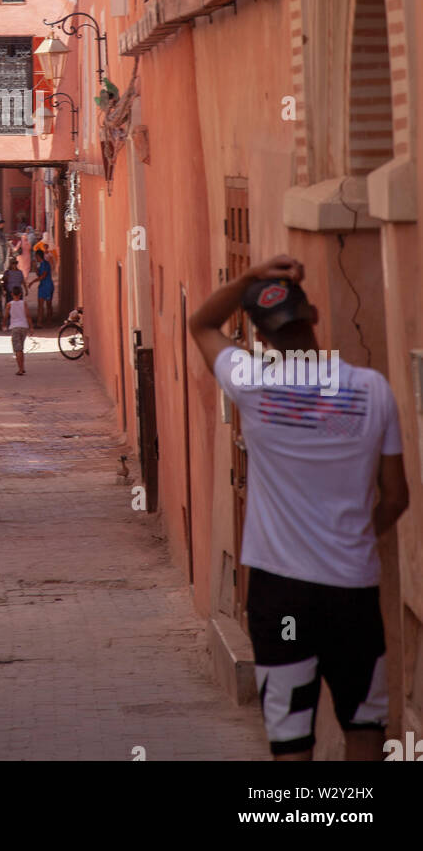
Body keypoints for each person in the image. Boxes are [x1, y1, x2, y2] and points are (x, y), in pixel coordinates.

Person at [188, 253, 408, 763]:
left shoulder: (253, 382)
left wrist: (248, 277)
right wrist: (353, 536)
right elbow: (396, 497)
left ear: (261, 338)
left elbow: (199, 323)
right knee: (365, 729)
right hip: (352, 589)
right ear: (312, 317)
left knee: (291, 741)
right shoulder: (371, 390)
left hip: (280, 591)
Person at [3, 284, 32, 376]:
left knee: (18, 349)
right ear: (20, 294)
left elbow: (6, 316)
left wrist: (3, 324)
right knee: (21, 348)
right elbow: (28, 316)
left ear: (12, 294)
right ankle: (22, 367)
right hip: (24, 327)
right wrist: (31, 327)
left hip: (15, 328)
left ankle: (20, 369)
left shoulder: (9, 304)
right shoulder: (24, 303)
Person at [30, 244, 54, 325]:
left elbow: (43, 276)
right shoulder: (40, 265)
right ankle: (39, 322)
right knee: (40, 305)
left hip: (48, 286)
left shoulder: (46, 264)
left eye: (36, 256)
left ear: (38, 256)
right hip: (42, 286)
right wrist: (35, 268)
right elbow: (39, 275)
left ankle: (49, 321)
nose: (35, 258)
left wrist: (32, 282)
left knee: (48, 304)